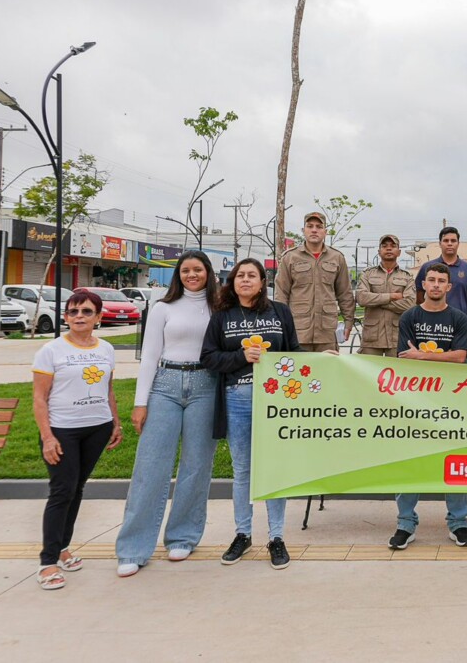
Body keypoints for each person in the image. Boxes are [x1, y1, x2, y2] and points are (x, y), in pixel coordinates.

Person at [115, 251, 220, 578]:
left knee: (196, 465)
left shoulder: (219, 307)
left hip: (207, 384)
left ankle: (183, 536)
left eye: (198, 270)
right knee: (151, 465)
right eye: (186, 270)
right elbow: (149, 356)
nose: (192, 275)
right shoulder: (162, 307)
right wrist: (140, 401)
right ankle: (133, 547)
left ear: (208, 273)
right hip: (165, 384)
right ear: (178, 274)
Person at [201, 259, 299, 570]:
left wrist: (322, 362)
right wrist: (240, 356)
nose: (245, 280)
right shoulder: (222, 317)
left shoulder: (280, 312)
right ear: (232, 282)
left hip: (275, 403)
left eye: (251, 275)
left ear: (262, 281)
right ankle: (243, 533)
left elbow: (293, 352)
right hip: (238, 399)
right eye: (240, 276)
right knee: (243, 470)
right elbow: (208, 357)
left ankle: (277, 537)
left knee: (274, 468)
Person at [32, 290, 122, 590]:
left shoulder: (107, 349)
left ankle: (63, 547)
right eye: (73, 312)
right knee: (62, 491)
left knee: (77, 488)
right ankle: (47, 562)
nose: (78, 317)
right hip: (62, 430)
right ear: (65, 316)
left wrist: (115, 422)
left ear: (98, 317)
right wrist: (47, 437)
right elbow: (39, 398)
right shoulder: (51, 351)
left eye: (85, 311)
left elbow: (107, 389)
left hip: (96, 427)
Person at [391, 263, 467, 549]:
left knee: (454, 460)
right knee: (411, 460)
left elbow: (461, 356)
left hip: (450, 400)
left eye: (442, 280)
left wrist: (424, 357)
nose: (437, 285)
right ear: (423, 285)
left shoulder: (459, 318)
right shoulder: (409, 316)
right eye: (431, 280)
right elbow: (405, 357)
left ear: (449, 287)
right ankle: (405, 524)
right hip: (414, 399)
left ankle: (458, 523)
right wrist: (438, 356)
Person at [274, 210, 355, 352]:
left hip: (327, 332)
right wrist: (281, 324)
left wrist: (348, 322)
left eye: (319, 227)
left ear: (325, 232)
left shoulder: (337, 258)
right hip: (298, 330)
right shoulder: (290, 258)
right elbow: (281, 293)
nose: (314, 230)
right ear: (303, 230)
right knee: (297, 372)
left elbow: (345, 294)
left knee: (327, 371)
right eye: (310, 226)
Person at [355, 234, 416, 356]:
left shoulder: (407, 277)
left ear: (399, 252)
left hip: (397, 337)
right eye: (384, 246)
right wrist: (391, 296)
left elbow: (410, 304)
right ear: (379, 251)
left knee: (396, 373)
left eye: (393, 246)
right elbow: (361, 298)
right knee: (368, 373)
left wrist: (376, 301)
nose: (388, 248)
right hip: (371, 339)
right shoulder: (367, 274)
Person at [414, 226, 467, 316]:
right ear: (440, 243)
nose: (449, 244)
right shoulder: (427, 267)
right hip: (432, 322)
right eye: (446, 241)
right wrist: (429, 313)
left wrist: (463, 312)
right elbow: (419, 297)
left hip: (460, 324)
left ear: (458, 243)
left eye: (453, 241)